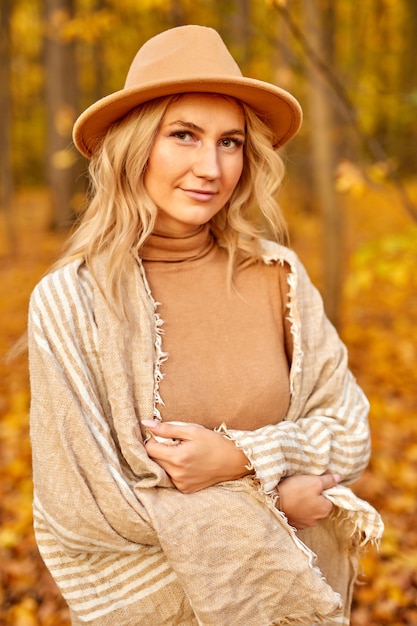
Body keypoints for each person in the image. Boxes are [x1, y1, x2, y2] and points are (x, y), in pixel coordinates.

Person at [28, 25, 383, 626]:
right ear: (135, 145)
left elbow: (350, 432)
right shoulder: (71, 301)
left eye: (230, 142)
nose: (210, 167)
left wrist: (242, 459)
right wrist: (279, 501)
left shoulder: (280, 276)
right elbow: (84, 512)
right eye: (184, 136)